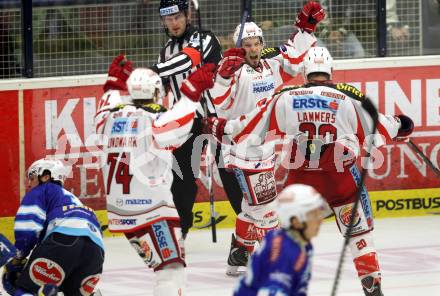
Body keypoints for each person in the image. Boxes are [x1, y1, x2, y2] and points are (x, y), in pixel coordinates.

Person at [207, 47, 415, 295]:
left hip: (301, 179)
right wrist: (402, 125)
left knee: (286, 237)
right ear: (331, 70)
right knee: (359, 232)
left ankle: (277, 281)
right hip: (340, 177)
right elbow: (385, 128)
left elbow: (252, 125)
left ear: (304, 71)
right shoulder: (349, 98)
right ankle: (371, 281)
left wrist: (222, 127)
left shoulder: (286, 96)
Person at [207, 1, 325, 276]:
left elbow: (294, 59)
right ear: (239, 46)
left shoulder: (271, 65)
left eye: (256, 42)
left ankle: (238, 256)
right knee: (268, 209)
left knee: (251, 209)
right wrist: (223, 77)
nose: (252, 48)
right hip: (243, 151)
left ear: (261, 42)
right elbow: (220, 104)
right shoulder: (232, 70)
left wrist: (306, 29)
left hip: (266, 150)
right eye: (246, 44)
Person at [95, 55, 216, 296]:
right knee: (171, 271)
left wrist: (113, 86)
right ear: (157, 92)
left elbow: (103, 110)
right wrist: (192, 93)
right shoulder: (155, 118)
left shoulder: (109, 118)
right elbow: (179, 126)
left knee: (165, 266)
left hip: (121, 213)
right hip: (152, 211)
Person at [151, 0, 243, 238]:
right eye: (168, 19)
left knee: (230, 175)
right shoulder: (166, 51)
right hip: (187, 122)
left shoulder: (205, 39)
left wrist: (154, 69)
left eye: (178, 17)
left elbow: (187, 59)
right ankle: (179, 233)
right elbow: (163, 88)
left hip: (215, 117)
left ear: (188, 14)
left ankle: (250, 231)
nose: (173, 23)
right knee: (180, 179)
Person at [1, 158, 104, 296]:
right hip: (96, 251)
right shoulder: (74, 200)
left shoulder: (43, 190)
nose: (30, 184)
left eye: (31, 178)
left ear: (46, 176)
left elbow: (27, 228)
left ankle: (46, 292)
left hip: (63, 240)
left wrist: (19, 257)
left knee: (25, 288)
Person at [233, 184, 326, 296]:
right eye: (313, 215)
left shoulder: (297, 242)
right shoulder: (285, 254)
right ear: (296, 222)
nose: (320, 220)